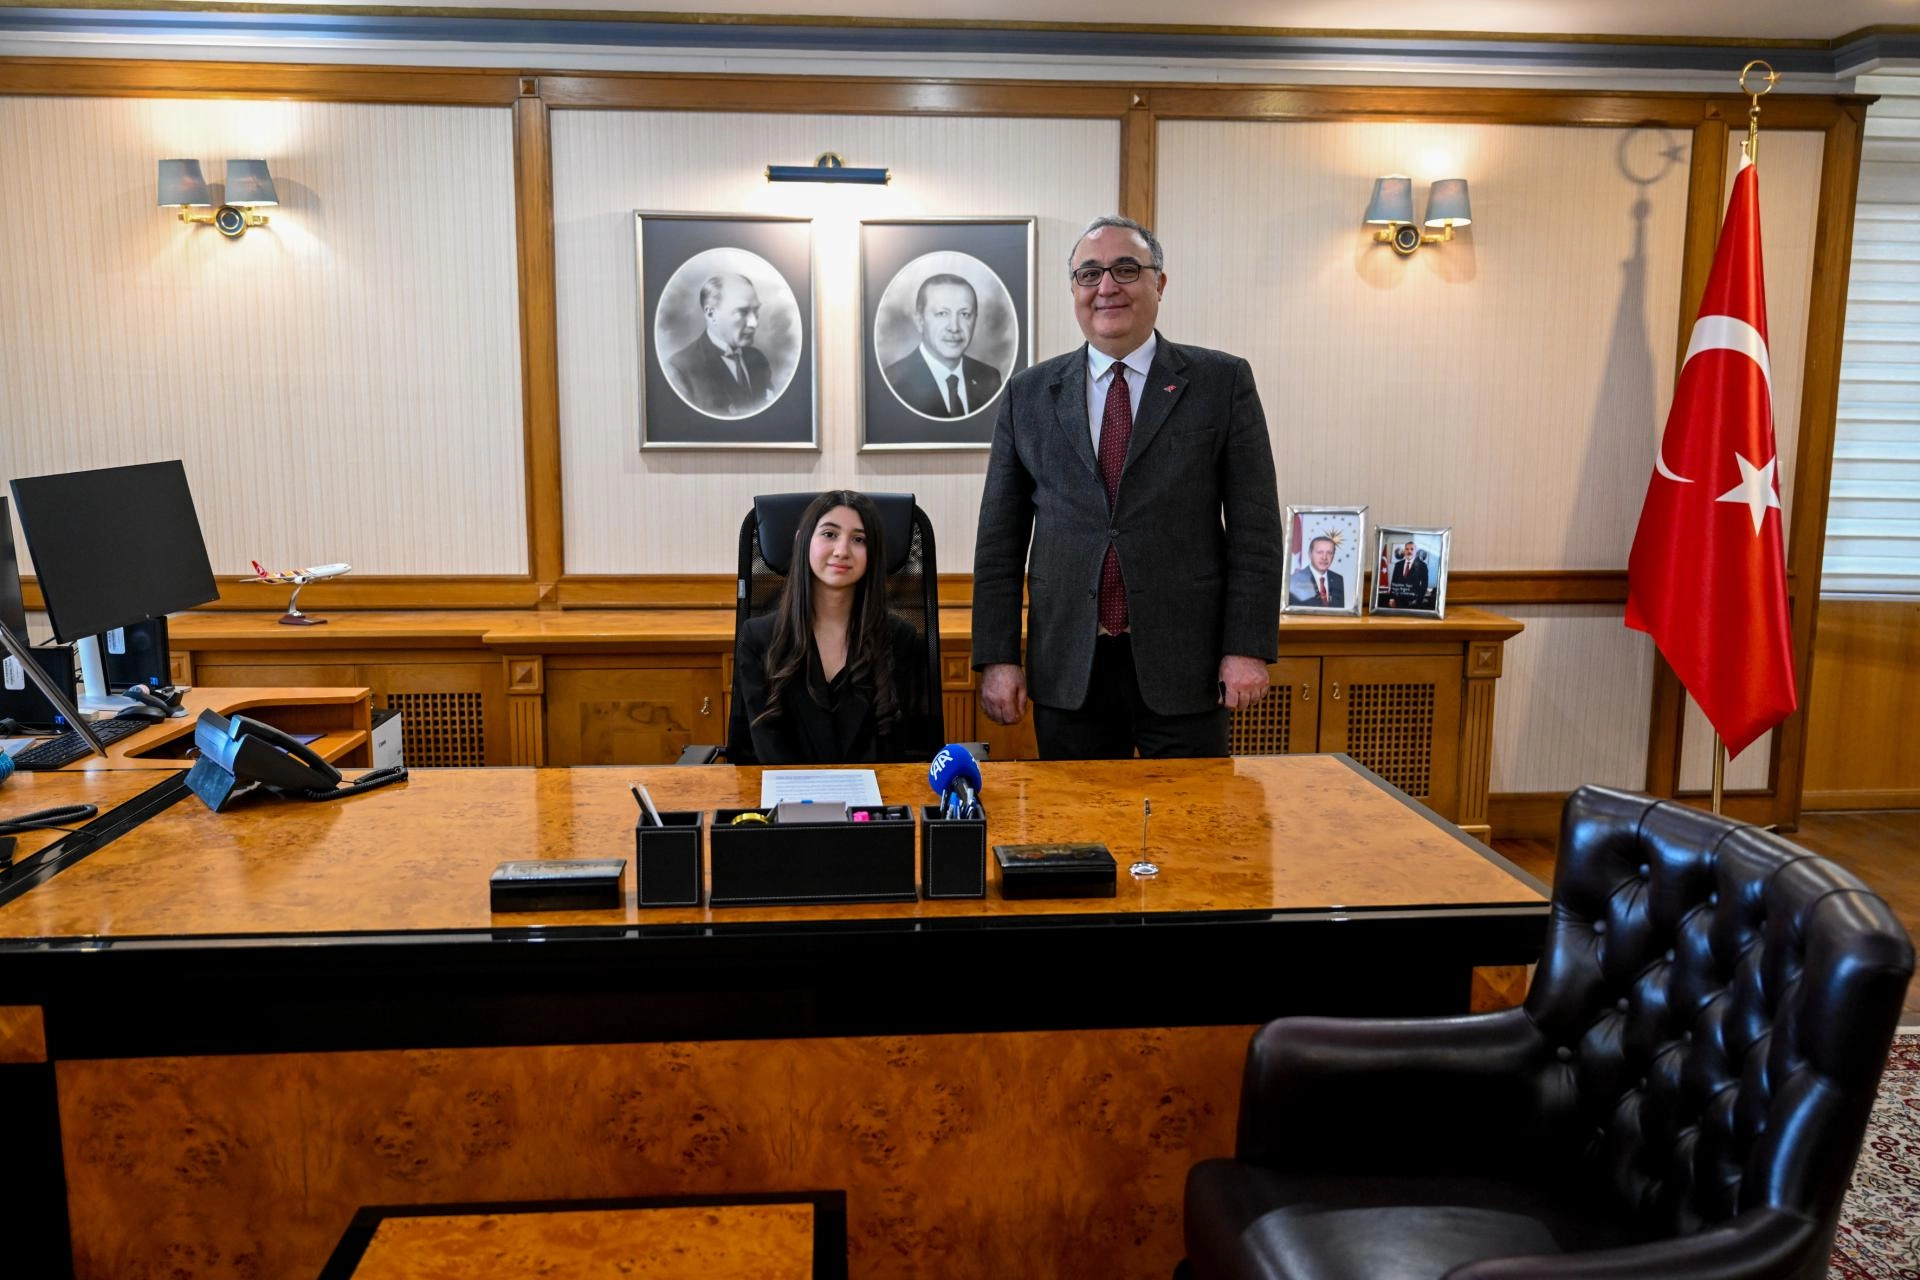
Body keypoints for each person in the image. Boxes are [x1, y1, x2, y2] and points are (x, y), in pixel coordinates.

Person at [972, 215, 1283, 760]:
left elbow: (1255, 531)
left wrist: (1247, 647)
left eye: (1125, 269)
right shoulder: (1029, 394)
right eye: (1089, 273)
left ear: (1159, 283)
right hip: (1069, 666)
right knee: (1077, 816)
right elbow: (1000, 541)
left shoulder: (1221, 382)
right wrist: (998, 658)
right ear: (1073, 289)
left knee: (1193, 813)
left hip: (1187, 665)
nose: (1106, 287)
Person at [734, 491, 939, 764]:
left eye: (859, 539)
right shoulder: (758, 639)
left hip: (872, 789)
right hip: (786, 790)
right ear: (802, 541)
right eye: (829, 534)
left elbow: (892, 751)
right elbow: (768, 751)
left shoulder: (900, 638)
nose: (842, 551)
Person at [883, 273, 1003, 418]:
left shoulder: (990, 378)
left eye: (964, 314)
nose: (954, 327)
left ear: (975, 319)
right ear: (920, 321)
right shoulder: (894, 381)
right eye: (942, 314)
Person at [666, 273, 772, 416]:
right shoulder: (679, 370)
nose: (754, 323)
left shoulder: (759, 360)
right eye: (742, 312)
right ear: (711, 314)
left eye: (756, 310)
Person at [1288, 536, 1345, 608]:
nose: (1324, 557)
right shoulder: (1295, 579)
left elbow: (1339, 610)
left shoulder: (1338, 579)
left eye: (1329, 553)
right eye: (1319, 552)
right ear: (1310, 554)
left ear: (1333, 556)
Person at [1382, 540, 1429, 609]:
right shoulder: (1398, 565)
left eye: (1412, 549)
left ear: (1415, 551)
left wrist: (1418, 600)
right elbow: (1394, 582)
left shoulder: (1422, 566)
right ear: (1404, 551)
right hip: (1398, 602)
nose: (1409, 551)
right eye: (1407, 549)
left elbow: (1424, 585)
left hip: (1414, 602)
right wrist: (1392, 598)